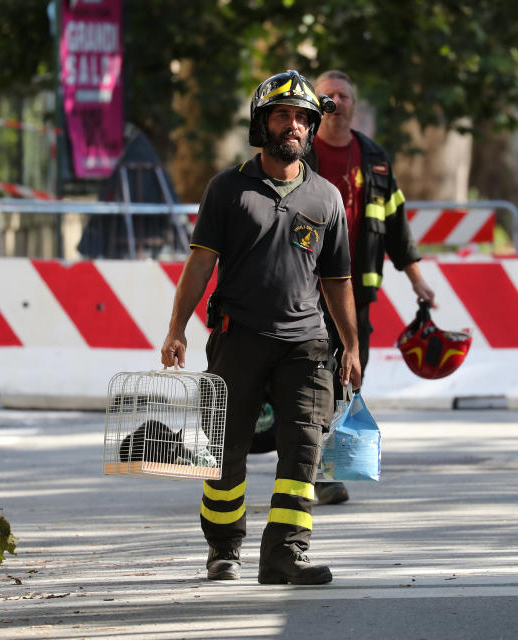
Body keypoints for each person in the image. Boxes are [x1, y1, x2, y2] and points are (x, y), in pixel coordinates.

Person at [160, 70, 362, 585]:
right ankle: (224, 548)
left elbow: (338, 280)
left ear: (311, 128)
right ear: (262, 124)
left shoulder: (327, 199)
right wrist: (177, 329)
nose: (292, 126)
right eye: (282, 116)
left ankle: (284, 556)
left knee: (303, 449)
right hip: (240, 337)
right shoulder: (228, 190)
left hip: (308, 345)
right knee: (225, 450)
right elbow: (200, 264)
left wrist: (352, 346)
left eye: (301, 118)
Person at [306, 69, 437, 505]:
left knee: (348, 377)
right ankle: (308, 467)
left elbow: (397, 226)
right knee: (308, 379)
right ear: (316, 104)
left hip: (354, 293)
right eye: (328, 96)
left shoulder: (374, 158)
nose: (337, 103)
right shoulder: (300, 152)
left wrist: (418, 279)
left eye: (344, 96)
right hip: (303, 291)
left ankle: (329, 468)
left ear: (354, 106)